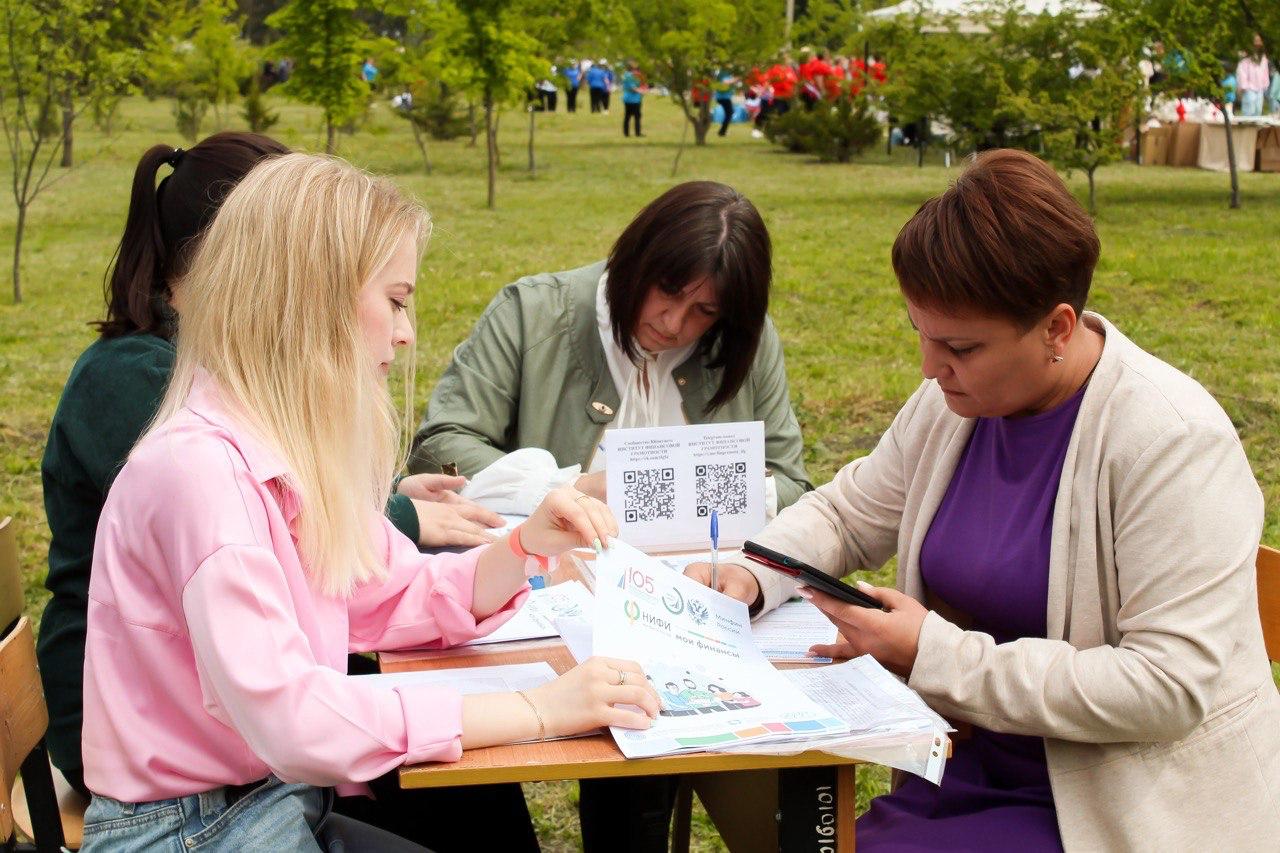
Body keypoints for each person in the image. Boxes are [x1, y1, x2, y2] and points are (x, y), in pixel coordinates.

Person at [687, 149, 1280, 850]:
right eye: (921, 333)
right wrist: (754, 573)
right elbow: (848, 512)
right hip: (967, 773)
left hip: (1114, 805)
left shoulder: (1172, 443)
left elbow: (1167, 687)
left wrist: (934, 656)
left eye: (960, 346)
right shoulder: (953, 403)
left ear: (1058, 328)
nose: (931, 366)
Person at [78, 152, 662, 851]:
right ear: (312, 299)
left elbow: (390, 590)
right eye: (395, 299)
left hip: (262, 801)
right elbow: (294, 719)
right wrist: (536, 709)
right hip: (194, 829)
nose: (407, 331)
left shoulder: (275, 448)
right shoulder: (203, 476)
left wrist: (524, 546)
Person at [409, 181, 813, 852]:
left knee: (646, 741)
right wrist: (568, 485)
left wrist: (708, 494)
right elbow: (444, 443)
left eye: (704, 311)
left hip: (685, 599)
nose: (676, 324)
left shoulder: (747, 341)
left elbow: (792, 482)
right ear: (635, 258)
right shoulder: (532, 311)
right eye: (667, 291)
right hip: (541, 597)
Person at [1237, 33, 1271, 117]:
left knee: (1258, 111)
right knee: (1249, 112)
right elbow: (1242, 72)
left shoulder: (1263, 58)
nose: (1258, 44)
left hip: (1260, 89)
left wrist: (1265, 85)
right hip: (1249, 89)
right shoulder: (1245, 58)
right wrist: (1244, 86)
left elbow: (1265, 72)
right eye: (1256, 41)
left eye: (1259, 41)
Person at [622, 61, 645, 137]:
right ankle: (637, 133)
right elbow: (633, 88)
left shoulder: (626, 75)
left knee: (627, 116)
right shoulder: (630, 76)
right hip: (633, 99)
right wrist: (641, 91)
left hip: (628, 98)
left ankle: (626, 133)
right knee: (636, 116)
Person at [713, 67, 737, 136]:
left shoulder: (726, 73)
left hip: (724, 97)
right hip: (723, 97)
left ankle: (722, 131)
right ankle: (722, 132)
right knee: (729, 113)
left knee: (729, 113)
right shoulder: (723, 73)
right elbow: (726, 82)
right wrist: (737, 78)